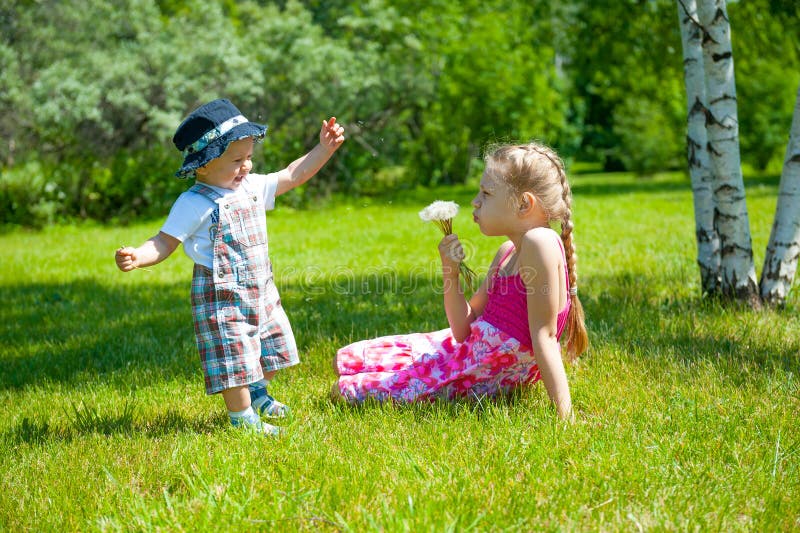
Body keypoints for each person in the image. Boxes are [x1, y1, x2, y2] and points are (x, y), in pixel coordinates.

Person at [116, 98, 345, 435]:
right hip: (221, 298)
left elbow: (292, 175)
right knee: (233, 358)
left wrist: (323, 149)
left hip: (260, 290)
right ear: (204, 165)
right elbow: (164, 242)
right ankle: (242, 419)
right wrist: (138, 255)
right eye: (237, 160)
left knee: (273, 348)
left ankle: (258, 392)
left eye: (249, 157)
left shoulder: (251, 187)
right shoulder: (193, 202)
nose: (246, 166)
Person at [332, 142, 587, 419]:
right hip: (462, 351)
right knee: (345, 359)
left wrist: (565, 417)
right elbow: (463, 329)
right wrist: (450, 273)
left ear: (524, 203)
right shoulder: (507, 253)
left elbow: (545, 336)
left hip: (474, 371)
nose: (475, 202)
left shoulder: (540, 241)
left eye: (486, 193)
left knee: (342, 391)